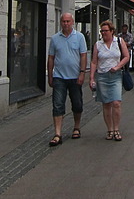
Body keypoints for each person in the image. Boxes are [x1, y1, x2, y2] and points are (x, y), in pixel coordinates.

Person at [47, 12, 88, 146]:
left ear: (72, 22)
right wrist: (50, 74)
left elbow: (83, 56)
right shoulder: (55, 39)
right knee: (58, 104)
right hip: (59, 76)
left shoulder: (80, 37)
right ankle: (57, 133)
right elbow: (51, 57)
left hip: (75, 76)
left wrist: (82, 73)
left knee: (77, 103)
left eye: (68, 21)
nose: (66, 24)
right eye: (63, 21)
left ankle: (76, 127)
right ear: (61, 23)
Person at [89, 20, 129, 141]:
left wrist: (117, 66)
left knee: (116, 103)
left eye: (106, 31)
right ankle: (109, 130)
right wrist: (91, 78)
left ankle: (116, 129)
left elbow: (126, 56)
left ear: (112, 31)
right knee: (106, 104)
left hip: (115, 75)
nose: (103, 33)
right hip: (102, 76)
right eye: (102, 31)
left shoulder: (119, 41)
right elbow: (94, 61)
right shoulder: (98, 44)